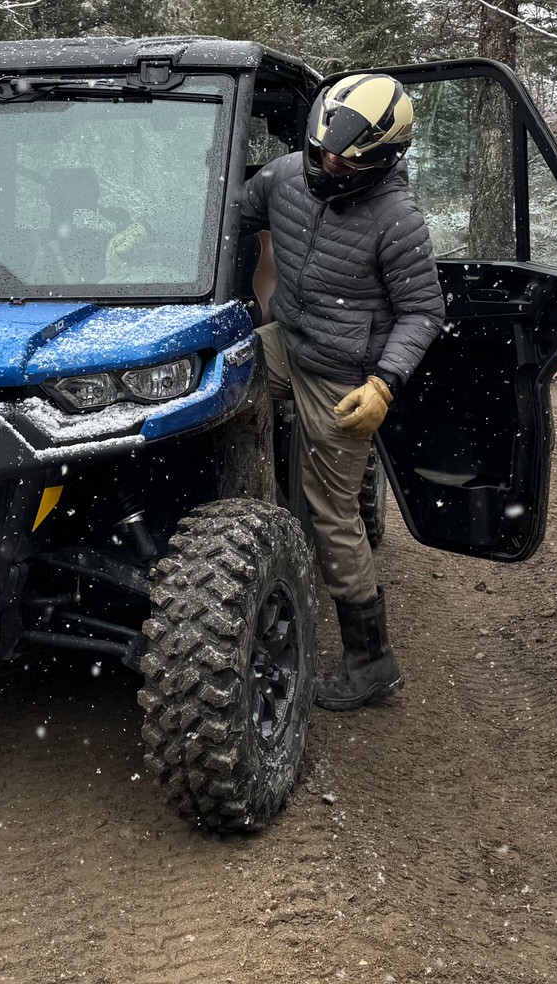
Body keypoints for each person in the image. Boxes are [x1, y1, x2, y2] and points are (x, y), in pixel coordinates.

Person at [236, 73, 444, 710]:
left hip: (343, 378)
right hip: (286, 344)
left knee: (332, 513)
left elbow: (423, 312)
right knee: (219, 378)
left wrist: (384, 384)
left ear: (384, 158)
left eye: (345, 160)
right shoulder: (283, 177)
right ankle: (248, 519)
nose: (328, 165)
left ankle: (370, 661)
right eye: (321, 151)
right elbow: (225, 216)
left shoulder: (396, 219)